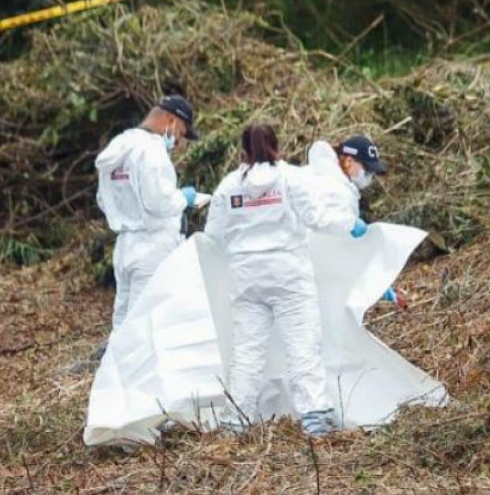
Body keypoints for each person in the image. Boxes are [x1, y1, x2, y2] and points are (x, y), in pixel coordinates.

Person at [204, 124, 367, 437]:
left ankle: (235, 422)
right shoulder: (291, 178)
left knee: (247, 353)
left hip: (246, 277)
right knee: (303, 345)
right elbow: (317, 219)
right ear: (276, 146)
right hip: (288, 273)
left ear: (244, 149)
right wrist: (350, 224)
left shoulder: (228, 186)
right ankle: (315, 417)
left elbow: (214, 237)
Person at [94, 85, 201, 329]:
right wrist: (184, 198)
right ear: (171, 121)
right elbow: (158, 202)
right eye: (181, 133)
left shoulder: (120, 145)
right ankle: (134, 368)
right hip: (152, 245)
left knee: (122, 319)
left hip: (125, 246)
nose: (178, 141)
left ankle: (113, 366)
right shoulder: (151, 150)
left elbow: (103, 199)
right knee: (144, 324)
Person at [305, 134, 404, 308]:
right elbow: (342, 244)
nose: (369, 177)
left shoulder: (321, 177)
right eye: (366, 171)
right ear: (349, 162)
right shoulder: (336, 190)